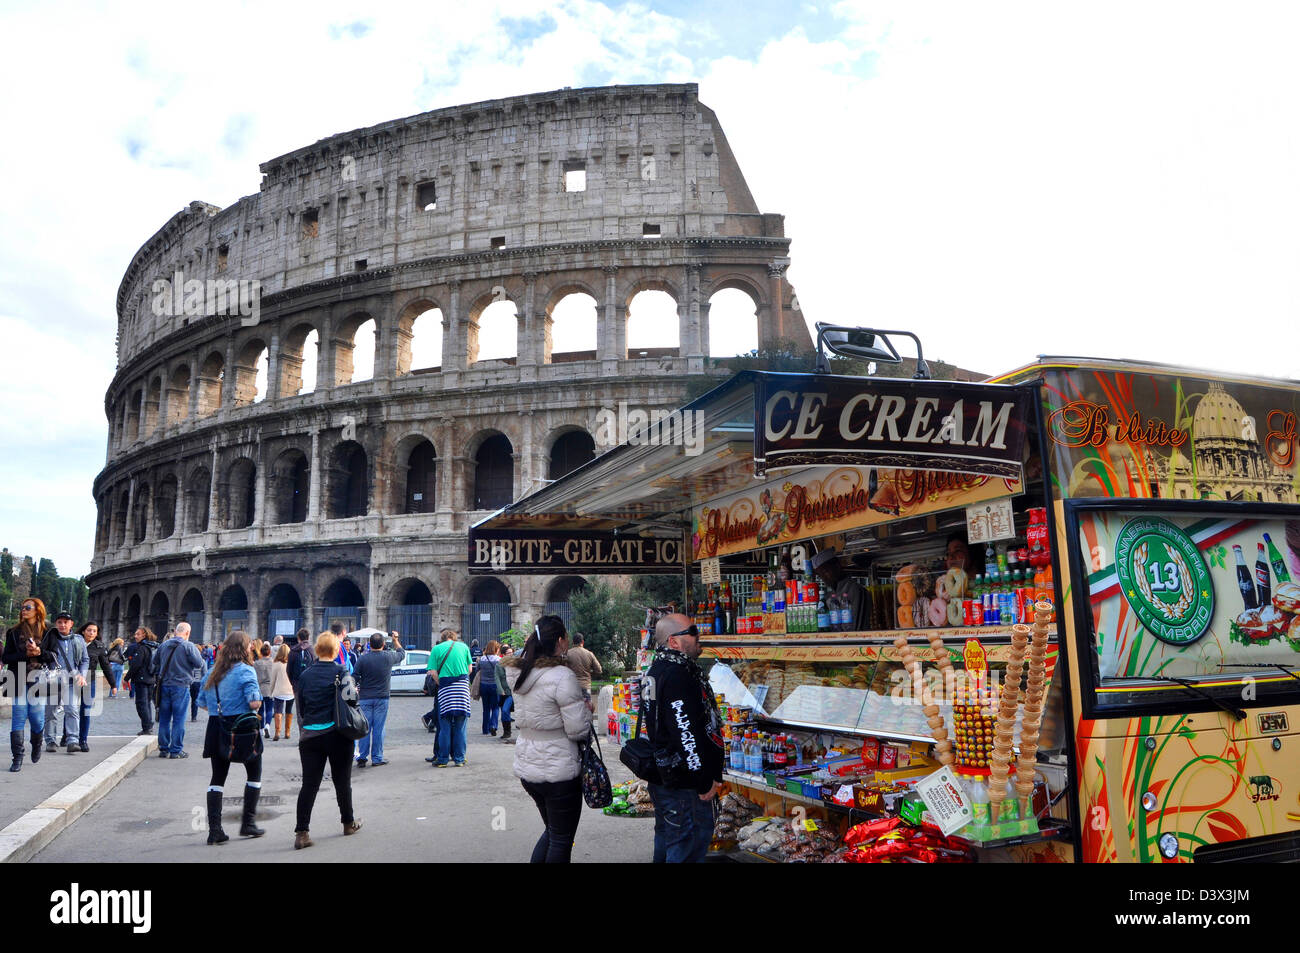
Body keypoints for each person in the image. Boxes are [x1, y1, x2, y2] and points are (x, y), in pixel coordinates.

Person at [506, 615, 591, 863]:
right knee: (562, 839)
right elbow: (577, 731)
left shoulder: (520, 674)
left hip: (528, 765)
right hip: (558, 769)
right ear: (562, 641)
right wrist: (585, 710)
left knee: (553, 832)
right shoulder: (561, 676)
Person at [644, 613, 725, 863]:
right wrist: (702, 781)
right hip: (683, 783)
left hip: (664, 776)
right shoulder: (678, 675)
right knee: (687, 847)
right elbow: (685, 733)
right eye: (692, 631)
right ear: (674, 642)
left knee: (667, 842)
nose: (698, 637)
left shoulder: (657, 668)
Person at [292, 631, 362, 850]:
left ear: (317, 650)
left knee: (309, 784)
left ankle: (302, 832)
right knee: (342, 782)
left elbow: (301, 706)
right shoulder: (341, 671)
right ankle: (348, 823)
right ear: (334, 651)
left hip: (311, 735)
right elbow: (351, 700)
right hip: (338, 733)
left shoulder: (305, 675)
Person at [198, 630, 265, 845]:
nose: (251, 649)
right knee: (254, 773)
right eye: (249, 646)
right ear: (244, 649)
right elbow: (254, 703)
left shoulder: (211, 672)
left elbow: (202, 703)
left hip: (217, 726)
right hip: (243, 727)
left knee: (217, 777)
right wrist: (258, 700)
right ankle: (248, 823)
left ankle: (215, 830)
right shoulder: (246, 671)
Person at [3, 597, 55, 771]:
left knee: (37, 717)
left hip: (39, 678)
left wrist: (39, 652)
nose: (23, 610)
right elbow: (6, 657)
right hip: (17, 678)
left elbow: (53, 657)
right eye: (22, 607)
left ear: (37, 610)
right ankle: (17, 757)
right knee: (18, 716)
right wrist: (26, 654)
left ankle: (37, 744)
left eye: (27, 607)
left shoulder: (49, 631)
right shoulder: (14, 632)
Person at [153, 622, 205, 759]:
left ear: (175, 631)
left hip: (164, 685)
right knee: (179, 719)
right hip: (181, 686)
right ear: (187, 633)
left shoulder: (164, 645)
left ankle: (163, 749)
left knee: (164, 718)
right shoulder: (189, 646)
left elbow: (154, 661)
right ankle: (175, 750)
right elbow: (200, 664)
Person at [352, 631, 404, 767]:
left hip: (365, 697)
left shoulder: (363, 658)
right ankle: (377, 757)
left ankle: (362, 756)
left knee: (364, 727)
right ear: (382, 644)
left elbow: (354, 676)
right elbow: (401, 653)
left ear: (369, 644)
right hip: (382, 697)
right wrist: (395, 639)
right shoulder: (388, 657)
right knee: (379, 728)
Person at [427, 628, 472, 767]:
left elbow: (433, 672)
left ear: (442, 638)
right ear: (454, 637)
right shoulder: (464, 647)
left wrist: (441, 683)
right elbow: (470, 669)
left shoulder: (437, 649)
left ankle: (443, 759)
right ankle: (459, 759)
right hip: (462, 689)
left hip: (445, 689)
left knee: (445, 726)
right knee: (460, 726)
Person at [45, 611, 88, 754]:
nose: (63, 625)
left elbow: (84, 660)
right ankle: (50, 741)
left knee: (72, 710)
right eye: (59, 622)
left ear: (71, 624)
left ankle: (72, 741)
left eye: (65, 622)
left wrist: (82, 675)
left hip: (71, 680)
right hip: (53, 680)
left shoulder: (78, 639)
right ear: (56, 624)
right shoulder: (50, 637)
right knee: (50, 712)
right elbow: (42, 655)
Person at [810, 547, 868, 631]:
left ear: (837, 566)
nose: (824, 578)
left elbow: (855, 629)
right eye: (820, 575)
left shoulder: (854, 590)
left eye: (825, 571)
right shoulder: (829, 596)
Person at [76, 622, 111, 753]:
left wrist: (113, 684)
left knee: (86, 711)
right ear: (83, 631)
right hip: (73, 680)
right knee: (71, 710)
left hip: (89, 681)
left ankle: (83, 740)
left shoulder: (99, 647)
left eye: (94, 631)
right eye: (89, 630)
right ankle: (67, 736)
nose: (91, 633)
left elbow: (105, 665)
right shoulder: (75, 642)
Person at [123, 627, 159, 735]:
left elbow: (136, 665)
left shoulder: (142, 648)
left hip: (142, 679)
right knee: (147, 703)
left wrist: (126, 678)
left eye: (138, 634)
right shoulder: (153, 647)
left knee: (141, 704)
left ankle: (147, 727)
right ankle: (148, 725)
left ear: (144, 635)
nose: (135, 636)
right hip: (151, 678)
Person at [285, 628, 313, 739]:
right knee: (310, 710)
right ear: (308, 638)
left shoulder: (293, 651)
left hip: (297, 685)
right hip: (311, 686)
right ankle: (311, 735)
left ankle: (303, 736)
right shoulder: (312, 650)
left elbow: (289, 670)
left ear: (298, 638)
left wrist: (293, 683)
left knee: (300, 711)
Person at [566, 632, 603, 710]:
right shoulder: (589, 654)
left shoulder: (568, 654)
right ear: (582, 642)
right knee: (587, 711)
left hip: (572, 687)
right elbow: (599, 670)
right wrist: (589, 671)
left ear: (573, 642)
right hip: (585, 686)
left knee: (573, 710)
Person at [476, 639, 503, 736]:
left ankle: (485, 729)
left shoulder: (482, 659)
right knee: (495, 707)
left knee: (486, 708)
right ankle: (493, 725)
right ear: (496, 649)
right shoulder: (498, 660)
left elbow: (477, 671)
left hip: (484, 685)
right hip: (495, 685)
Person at [268, 644, 294, 741]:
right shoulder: (292, 663)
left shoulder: (276, 664)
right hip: (291, 691)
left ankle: (277, 732)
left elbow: (273, 679)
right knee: (289, 710)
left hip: (279, 690)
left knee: (278, 711)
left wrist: (271, 692)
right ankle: (287, 732)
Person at [253, 642, 274, 738]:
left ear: (261, 652)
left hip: (259, 688)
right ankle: (268, 725)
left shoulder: (256, 663)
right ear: (269, 652)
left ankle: (261, 728)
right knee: (270, 709)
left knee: (260, 710)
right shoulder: (273, 662)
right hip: (270, 688)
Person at [496, 644, 515, 742]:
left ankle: (508, 731)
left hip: (513, 692)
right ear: (503, 654)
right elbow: (497, 678)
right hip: (503, 692)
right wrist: (500, 690)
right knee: (504, 712)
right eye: (508, 653)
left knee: (505, 710)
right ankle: (506, 732)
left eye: (512, 653)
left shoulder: (516, 663)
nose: (511, 654)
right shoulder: (499, 664)